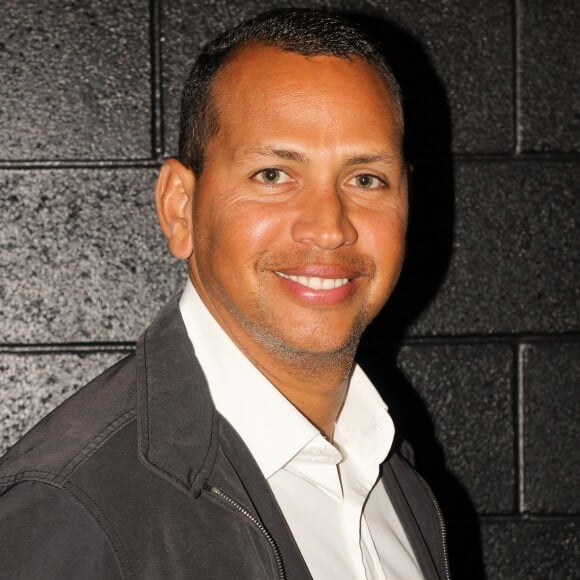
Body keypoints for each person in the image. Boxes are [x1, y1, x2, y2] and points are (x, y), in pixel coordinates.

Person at [0, 9, 448, 580]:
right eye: (273, 175)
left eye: (365, 179)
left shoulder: (392, 472)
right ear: (180, 208)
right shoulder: (71, 508)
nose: (330, 226)